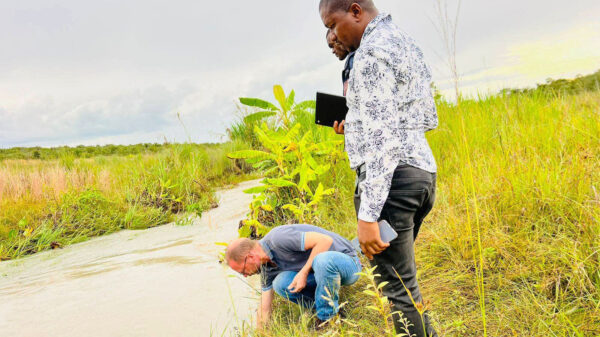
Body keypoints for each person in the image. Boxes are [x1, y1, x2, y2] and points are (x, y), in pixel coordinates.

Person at [319, 1, 439, 336]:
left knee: (398, 292)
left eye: (332, 23)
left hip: (391, 186)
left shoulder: (370, 54)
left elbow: (384, 140)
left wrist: (368, 215)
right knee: (404, 284)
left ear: (355, 11)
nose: (333, 34)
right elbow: (427, 117)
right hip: (421, 174)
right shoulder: (403, 41)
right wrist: (356, 122)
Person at [225, 224, 362, 330]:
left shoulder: (278, 239)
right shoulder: (266, 268)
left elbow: (325, 241)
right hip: (321, 274)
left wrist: (303, 272)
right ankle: (330, 308)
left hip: (347, 263)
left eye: (242, 270)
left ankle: (327, 319)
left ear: (250, 257)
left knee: (322, 260)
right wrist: (261, 333)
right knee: (280, 283)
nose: (245, 275)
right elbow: (264, 309)